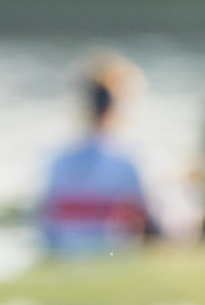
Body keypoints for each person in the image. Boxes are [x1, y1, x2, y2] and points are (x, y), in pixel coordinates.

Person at [37, 53, 161, 254]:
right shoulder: (131, 158)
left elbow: (46, 226)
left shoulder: (56, 159)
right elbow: (153, 224)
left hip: (64, 254)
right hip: (111, 254)